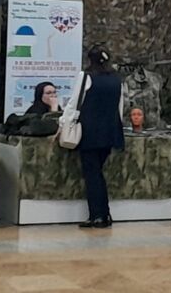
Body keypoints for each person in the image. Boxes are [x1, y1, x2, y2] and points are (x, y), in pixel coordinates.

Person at [77, 45, 125, 229]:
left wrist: (65, 123)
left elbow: (75, 103)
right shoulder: (117, 79)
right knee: (98, 172)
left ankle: (98, 215)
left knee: (92, 174)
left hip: (90, 132)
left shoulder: (86, 77)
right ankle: (104, 214)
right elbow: (120, 106)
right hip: (110, 131)